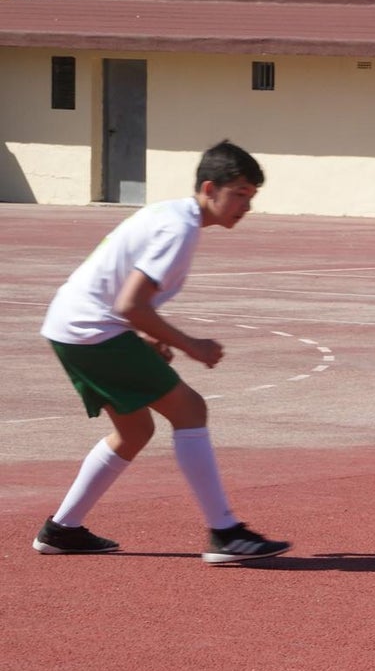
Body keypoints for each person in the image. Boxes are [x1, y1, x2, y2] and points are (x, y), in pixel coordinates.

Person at [33, 140, 291, 564]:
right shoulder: (179, 228)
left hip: (74, 326)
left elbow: (124, 296)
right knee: (190, 410)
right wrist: (192, 346)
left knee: (135, 431)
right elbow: (130, 304)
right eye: (239, 194)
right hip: (90, 330)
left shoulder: (172, 215)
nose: (245, 205)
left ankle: (62, 529)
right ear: (210, 188)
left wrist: (147, 339)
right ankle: (225, 533)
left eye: (251, 197)